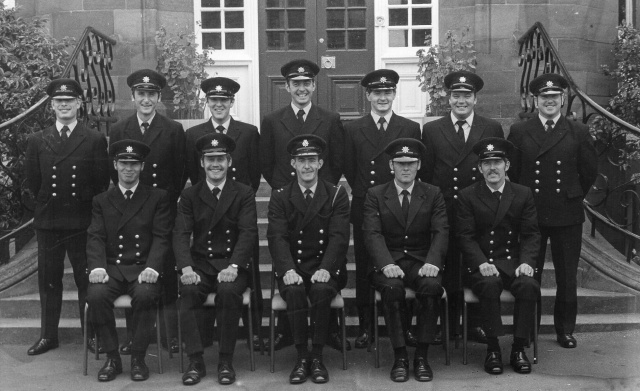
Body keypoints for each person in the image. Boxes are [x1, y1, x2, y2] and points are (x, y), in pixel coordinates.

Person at [260, 59, 346, 351]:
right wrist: (286, 191)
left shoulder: (330, 118)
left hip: (322, 200)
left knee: (325, 270)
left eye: (306, 83)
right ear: (287, 87)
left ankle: (331, 331)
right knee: (291, 272)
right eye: (295, 84)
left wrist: (323, 192)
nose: (301, 89)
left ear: (313, 85)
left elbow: (335, 162)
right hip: (288, 200)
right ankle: (286, 332)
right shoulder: (272, 120)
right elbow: (267, 162)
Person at [507, 73, 597, 349]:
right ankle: (527, 329)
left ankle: (565, 329)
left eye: (554, 97)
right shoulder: (520, 131)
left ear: (562, 100)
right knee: (528, 274)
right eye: (544, 98)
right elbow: (515, 171)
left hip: (566, 214)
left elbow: (589, 171)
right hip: (531, 214)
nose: (549, 102)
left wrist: (571, 194)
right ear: (536, 100)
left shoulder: (578, 131)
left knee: (566, 276)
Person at [25, 78, 110, 355]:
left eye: (69, 101)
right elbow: (33, 183)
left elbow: (100, 183)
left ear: (78, 104)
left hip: (81, 221)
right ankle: (48, 336)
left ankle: (92, 335)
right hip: (49, 222)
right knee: (49, 282)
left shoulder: (94, 138)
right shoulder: (37, 140)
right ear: (52, 106)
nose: (64, 105)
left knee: (86, 281)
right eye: (59, 101)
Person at [420, 70, 504, 342]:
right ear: (448, 97)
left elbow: (495, 171)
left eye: (467, 96)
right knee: (445, 269)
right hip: (443, 210)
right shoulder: (432, 129)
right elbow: (428, 174)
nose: (461, 101)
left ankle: (476, 325)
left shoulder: (490, 128)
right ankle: (443, 326)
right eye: (456, 95)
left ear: (475, 99)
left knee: (476, 266)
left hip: (478, 210)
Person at [109, 69, 186, 354]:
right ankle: (133, 337)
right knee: (132, 270)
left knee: (164, 270)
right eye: (141, 94)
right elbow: (114, 169)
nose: (146, 99)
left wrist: (165, 202)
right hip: (130, 212)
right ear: (133, 96)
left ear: (158, 97)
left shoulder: (173, 129)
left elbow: (180, 171)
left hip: (162, 210)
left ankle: (169, 335)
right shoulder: (119, 129)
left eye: (151, 94)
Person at [344, 69, 421, 348]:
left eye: (387, 92)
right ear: (368, 96)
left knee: (404, 260)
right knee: (366, 267)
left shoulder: (410, 128)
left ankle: (406, 326)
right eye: (377, 93)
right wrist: (369, 194)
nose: (382, 98)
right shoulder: (352, 128)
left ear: (394, 94)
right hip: (367, 205)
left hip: (400, 207)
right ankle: (366, 327)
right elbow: (350, 168)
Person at [174, 133, 258, 386]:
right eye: (210, 159)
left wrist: (234, 266)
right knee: (188, 292)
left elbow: (248, 233)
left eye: (220, 158)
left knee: (228, 292)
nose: (215, 164)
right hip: (200, 264)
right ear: (201, 162)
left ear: (229, 161)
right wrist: (186, 267)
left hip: (231, 263)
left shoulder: (243, 193)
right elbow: (180, 233)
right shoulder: (190, 195)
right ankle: (195, 361)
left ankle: (225, 360)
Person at [185, 76, 262, 349]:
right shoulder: (194, 135)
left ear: (232, 102)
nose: (219, 105)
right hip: (206, 214)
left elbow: (254, 173)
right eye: (214, 100)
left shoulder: (249, 132)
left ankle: (254, 331)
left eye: (224, 100)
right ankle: (204, 336)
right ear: (207, 102)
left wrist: (237, 200)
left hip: (237, 212)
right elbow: (193, 175)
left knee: (244, 273)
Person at [363, 138, 449, 382]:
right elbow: (372, 233)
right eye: (400, 163)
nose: (405, 168)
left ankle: (421, 356)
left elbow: (441, 230)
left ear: (419, 165)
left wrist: (432, 261)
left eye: (410, 163)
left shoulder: (432, 193)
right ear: (391, 166)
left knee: (432, 287)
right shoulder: (376, 194)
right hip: (388, 260)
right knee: (391, 289)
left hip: (422, 261)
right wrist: (386, 263)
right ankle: (400, 356)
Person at [266, 134, 350, 384]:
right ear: (292, 164)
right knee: (292, 291)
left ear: (320, 163)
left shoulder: (336, 194)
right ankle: (302, 357)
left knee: (323, 289)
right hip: (294, 266)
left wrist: (327, 268)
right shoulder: (281, 195)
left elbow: (339, 237)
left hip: (326, 266)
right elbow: (277, 237)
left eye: (312, 160)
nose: (307, 166)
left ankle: (317, 356)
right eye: (301, 160)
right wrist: (287, 270)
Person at [86, 140, 171, 382]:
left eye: (134, 164)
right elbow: (95, 236)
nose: (128, 169)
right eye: (124, 163)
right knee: (95, 295)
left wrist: (153, 267)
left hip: (143, 268)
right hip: (112, 268)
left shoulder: (157, 197)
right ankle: (113, 358)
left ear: (142, 167)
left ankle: (138, 358)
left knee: (145, 294)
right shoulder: (102, 200)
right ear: (115, 165)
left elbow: (161, 236)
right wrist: (98, 267)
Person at [456, 137, 541, 375]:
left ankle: (517, 348)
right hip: (482, 264)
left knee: (528, 285)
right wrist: (481, 263)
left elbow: (531, 234)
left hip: (513, 263)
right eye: (487, 163)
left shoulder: (522, 194)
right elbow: (465, 236)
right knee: (489, 284)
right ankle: (493, 349)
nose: (492, 168)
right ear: (480, 168)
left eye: (497, 162)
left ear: (507, 165)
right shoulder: (467, 195)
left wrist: (526, 262)